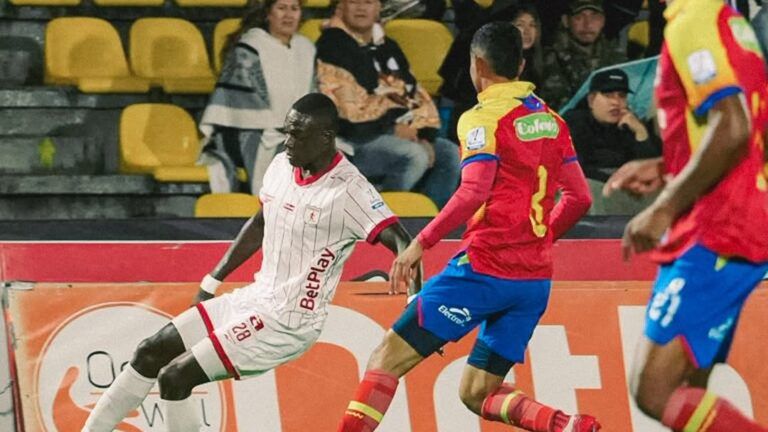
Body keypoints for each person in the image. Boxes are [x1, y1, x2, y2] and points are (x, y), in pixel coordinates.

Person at [81, 94, 421, 432]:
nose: (287, 142)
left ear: (325, 137)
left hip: (287, 323)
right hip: (253, 298)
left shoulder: (350, 190)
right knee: (149, 352)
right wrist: (213, 280)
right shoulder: (281, 166)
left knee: (175, 377)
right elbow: (260, 222)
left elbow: (404, 243)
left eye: (297, 134)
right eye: (286, 132)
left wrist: (415, 307)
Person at [337, 22, 597, 432]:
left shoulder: (483, 118)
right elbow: (580, 197)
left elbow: (474, 191)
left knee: (385, 360)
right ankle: (565, 425)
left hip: (483, 271)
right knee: (477, 393)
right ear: (521, 65)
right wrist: (539, 238)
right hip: (533, 282)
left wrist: (419, 243)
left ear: (478, 65)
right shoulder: (551, 120)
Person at [603, 0, 768, 430]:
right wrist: (667, 166)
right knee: (690, 390)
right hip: (734, 217)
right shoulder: (729, 21)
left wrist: (664, 206)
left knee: (654, 390)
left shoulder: (693, 20)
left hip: (717, 227)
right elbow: (750, 127)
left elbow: (732, 127)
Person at [315, 0, 460, 208]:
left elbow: (413, 92)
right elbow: (346, 111)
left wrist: (424, 134)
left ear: (378, 9)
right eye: (354, 1)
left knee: (449, 154)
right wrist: (393, 128)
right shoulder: (331, 46)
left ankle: (430, 223)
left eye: (368, 2)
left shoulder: (388, 46)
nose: (361, 7)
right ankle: (381, 218)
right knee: (414, 156)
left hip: (397, 131)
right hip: (353, 140)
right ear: (341, 7)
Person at [198, 0, 315, 194]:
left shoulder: (306, 49)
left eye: (294, 9)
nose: (288, 15)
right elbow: (243, 106)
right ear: (268, 13)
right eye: (281, 8)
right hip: (247, 130)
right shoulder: (250, 47)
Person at [563, 68, 660, 182]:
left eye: (622, 96)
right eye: (608, 95)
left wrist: (640, 133)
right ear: (591, 100)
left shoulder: (628, 122)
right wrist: (619, 181)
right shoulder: (573, 123)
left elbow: (651, 168)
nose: (616, 102)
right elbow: (575, 168)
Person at [539, 0, 627, 110]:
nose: (588, 24)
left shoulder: (614, 53)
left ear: (603, 21)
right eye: (579, 18)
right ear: (566, 21)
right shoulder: (552, 57)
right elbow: (559, 107)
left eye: (594, 18)